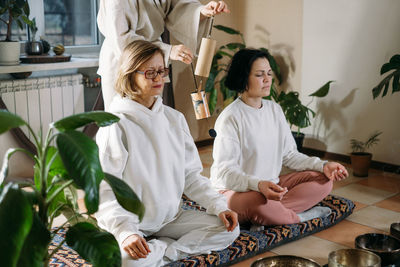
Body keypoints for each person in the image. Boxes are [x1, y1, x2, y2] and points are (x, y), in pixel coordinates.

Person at [95, 40, 239, 267]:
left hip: (171, 217)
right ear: (130, 75)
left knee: (229, 228)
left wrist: (219, 206)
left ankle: (162, 251)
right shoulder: (115, 124)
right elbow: (104, 188)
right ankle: (155, 248)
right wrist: (126, 233)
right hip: (132, 223)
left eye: (162, 70)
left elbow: (190, 176)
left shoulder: (174, 119)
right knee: (124, 262)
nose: (158, 78)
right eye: (150, 72)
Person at [210, 48, 349, 228]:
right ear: (243, 78)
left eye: (269, 73)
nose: (268, 79)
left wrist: (323, 165)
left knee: (324, 180)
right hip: (235, 191)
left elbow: (290, 155)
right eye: (260, 75)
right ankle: (299, 217)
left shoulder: (274, 109)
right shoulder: (231, 118)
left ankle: (273, 214)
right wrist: (258, 185)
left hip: (271, 188)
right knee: (256, 202)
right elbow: (225, 173)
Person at [97, 0, 230, 110]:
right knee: (122, 121)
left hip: (154, 59)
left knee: (154, 118)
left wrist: (201, 12)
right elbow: (121, 39)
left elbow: (178, 6)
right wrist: (167, 51)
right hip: (123, 61)